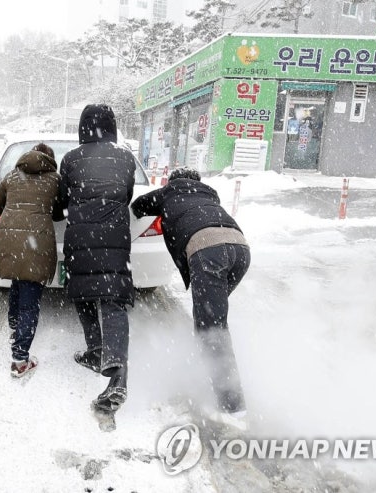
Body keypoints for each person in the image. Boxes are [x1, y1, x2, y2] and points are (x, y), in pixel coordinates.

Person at [131, 167, 250, 425]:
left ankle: (232, 407)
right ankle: (207, 361)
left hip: (208, 251)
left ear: (172, 181)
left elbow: (138, 206)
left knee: (212, 328)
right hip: (240, 250)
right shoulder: (210, 193)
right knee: (211, 318)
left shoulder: (167, 193)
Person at [57, 104, 135, 415]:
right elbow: (126, 194)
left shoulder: (71, 158)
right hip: (115, 236)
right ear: (112, 126)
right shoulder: (125, 156)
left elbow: (62, 200)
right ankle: (115, 369)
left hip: (80, 237)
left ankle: (96, 350)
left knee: (84, 294)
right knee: (112, 301)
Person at [0, 143, 62, 377]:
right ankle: (20, 360)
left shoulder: (11, 176)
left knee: (19, 282)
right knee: (30, 298)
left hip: (6, 237)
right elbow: (60, 212)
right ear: (50, 160)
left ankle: (14, 326)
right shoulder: (55, 180)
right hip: (36, 242)